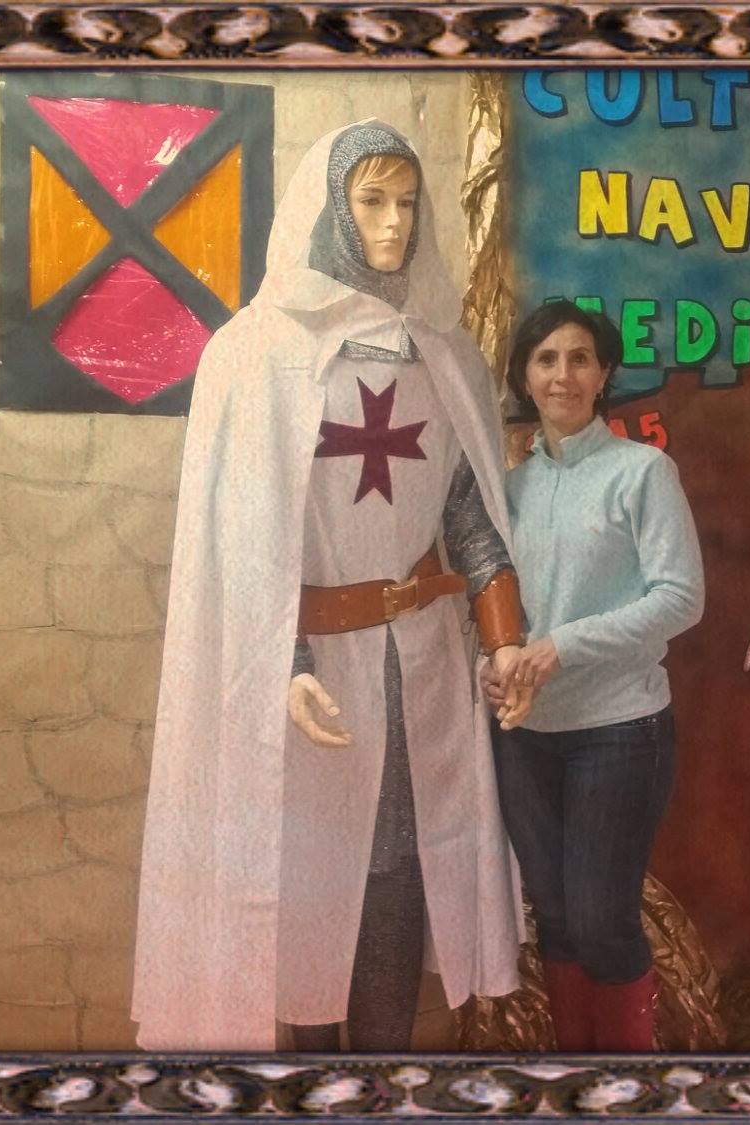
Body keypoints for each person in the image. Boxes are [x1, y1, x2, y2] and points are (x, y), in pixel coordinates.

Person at [131, 119, 529, 1052]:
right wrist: (287, 662)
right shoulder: (260, 352)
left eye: (408, 203)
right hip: (307, 677)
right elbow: (247, 535)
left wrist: (506, 636)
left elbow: (469, 516)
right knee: (308, 887)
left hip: (420, 669)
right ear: (329, 207)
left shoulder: (444, 355)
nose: (394, 224)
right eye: (371, 200)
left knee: (396, 877)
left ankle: (380, 1081)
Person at [481, 301, 706, 1051]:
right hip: (526, 737)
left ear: (604, 373)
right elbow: (495, 608)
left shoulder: (642, 472)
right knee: (555, 918)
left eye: (580, 358)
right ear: (525, 376)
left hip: (619, 730)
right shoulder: (510, 489)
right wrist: (492, 666)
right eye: (545, 359)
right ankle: (575, 1079)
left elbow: (681, 598)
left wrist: (561, 647)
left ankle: (626, 1086)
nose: (563, 375)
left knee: (603, 922)